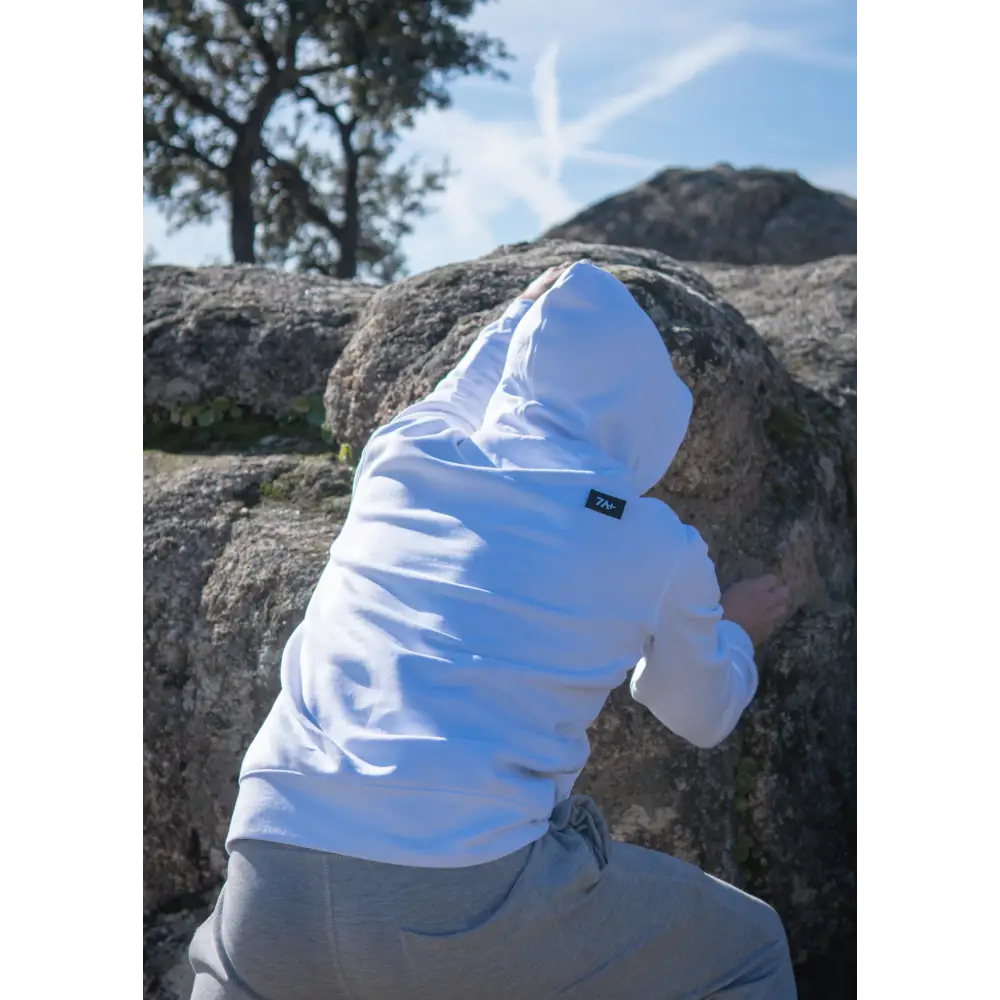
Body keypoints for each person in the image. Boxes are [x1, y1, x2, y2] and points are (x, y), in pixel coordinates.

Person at [189, 260, 796, 1000]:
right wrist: (734, 634)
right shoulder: (654, 542)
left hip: (267, 874)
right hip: (464, 897)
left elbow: (465, 390)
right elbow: (696, 714)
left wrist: (522, 312)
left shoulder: (404, 454)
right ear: (644, 402)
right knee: (749, 950)